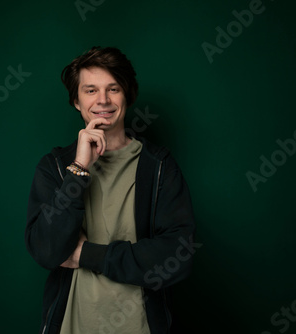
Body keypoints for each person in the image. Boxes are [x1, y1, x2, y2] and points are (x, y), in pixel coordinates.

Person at [25, 46, 196, 334]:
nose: (102, 100)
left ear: (127, 95)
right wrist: (79, 169)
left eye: (113, 89)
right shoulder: (54, 167)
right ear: (76, 101)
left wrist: (88, 255)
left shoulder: (158, 167)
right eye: (90, 90)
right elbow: (45, 250)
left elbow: (178, 256)